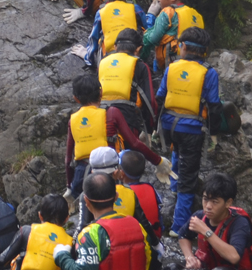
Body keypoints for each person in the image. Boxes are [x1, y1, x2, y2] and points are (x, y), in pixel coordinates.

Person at [155, 26, 222, 236]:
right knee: (189, 178)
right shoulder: (209, 73)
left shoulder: (171, 67)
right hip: (192, 129)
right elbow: (214, 105)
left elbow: (160, 98)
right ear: (205, 51)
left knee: (176, 150)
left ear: (182, 47)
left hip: (168, 127)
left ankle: (173, 185)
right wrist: (214, 134)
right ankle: (178, 227)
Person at [65, 74, 172, 204]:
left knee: (83, 216)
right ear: (101, 92)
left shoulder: (73, 120)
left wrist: (69, 186)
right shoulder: (111, 113)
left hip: (81, 175)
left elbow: (68, 160)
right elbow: (134, 143)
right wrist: (158, 161)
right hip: (108, 172)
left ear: (76, 98)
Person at [53, 173, 151, 270]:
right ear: (116, 197)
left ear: (86, 201)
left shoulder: (90, 234)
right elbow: (146, 263)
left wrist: (62, 256)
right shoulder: (138, 226)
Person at [75, 148, 163, 270]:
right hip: (130, 252)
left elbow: (82, 226)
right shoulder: (129, 192)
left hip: (101, 253)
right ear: (117, 172)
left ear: (92, 171)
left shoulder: (87, 195)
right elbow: (144, 223)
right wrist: (157, 244)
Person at [179, 172, 252, 270]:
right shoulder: (200, 216)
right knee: (173, 267)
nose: (208, 206)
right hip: (210, 269)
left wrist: (206, 231)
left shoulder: (240, 223)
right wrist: (189, 257)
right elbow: (183, 235)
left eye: (215, 202)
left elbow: (234, 257)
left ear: (228, 203)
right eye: (205, 199)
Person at [98, 28, 157, 138]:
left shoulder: (103, 63)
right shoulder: (140, 66)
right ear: (138, 49)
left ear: (115, 47)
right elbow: (150, 101)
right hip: (127, 121)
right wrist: (149, 129)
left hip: (101, 119)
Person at [141, 0, 204, 77]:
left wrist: (150, 16)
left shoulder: (168, 12)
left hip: (173, 64)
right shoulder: (196, 15)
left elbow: (152, 38)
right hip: (196, 65)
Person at [83, 0, 147, 68]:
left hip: (109, 55)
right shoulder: (135, 9)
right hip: (134, 54)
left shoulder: (101, 13)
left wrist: (88, 59)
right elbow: (148, 28)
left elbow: (93, 38)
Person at [119, 150, 164, 239]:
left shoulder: (121, 192)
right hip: (155, 236)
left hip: (137, 239)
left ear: (122, 174)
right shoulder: (151, 188)